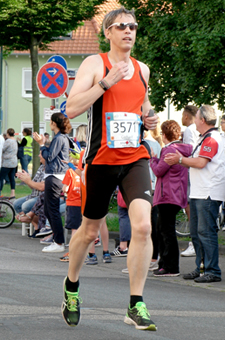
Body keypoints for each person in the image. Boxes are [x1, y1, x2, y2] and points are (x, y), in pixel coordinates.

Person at [62, 6, 158, 331]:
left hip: (135, 157)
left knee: (143, 227)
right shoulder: (95, 64)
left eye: (132, 26)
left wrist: (150, 117)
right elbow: (71, 109)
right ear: (108, 33)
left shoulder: (143, 69)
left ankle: (136, 303)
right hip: (100, 161)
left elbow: (143, 106)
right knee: (88, 231)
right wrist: (105, 83)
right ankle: (71, 287)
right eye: (121, 27)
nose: (128, 31)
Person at [165, 105, 225, 283]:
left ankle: (212, 270)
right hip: (200, 191)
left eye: (196, 117)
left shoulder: (212, 139)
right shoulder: (204, 138)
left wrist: (180, 160)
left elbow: (200, 162)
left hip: (208, 192)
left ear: (203, 120)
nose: (194, 121)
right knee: (197, 232)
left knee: (206, 232)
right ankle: (201, 268)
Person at [149, 120, 192, 277]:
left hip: (167, 195)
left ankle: (171, 267)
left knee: (166, 232)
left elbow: (159, 171)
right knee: (163, 230)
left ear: (165, 134)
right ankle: (164, 264)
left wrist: (152, 159)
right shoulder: (184, 149)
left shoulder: (169, 151)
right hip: (176, 195)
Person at [33, 112, 71, 253]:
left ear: (54, 123)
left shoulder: (59, 138)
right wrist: (44, 145)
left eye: (50, 121)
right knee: (49, 209)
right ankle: (57, 239)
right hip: (55, 175)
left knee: (52, 210)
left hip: (54, 176)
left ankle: (59, 242)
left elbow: (49, 157)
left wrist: (42, 144)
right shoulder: (60, 138)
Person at [180, 105, 199, 257]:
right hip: (198, 172)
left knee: (189, 206)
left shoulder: (188, 130)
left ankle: (193, 242)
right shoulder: (197, 129)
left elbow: (188, 151)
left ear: (186, 116)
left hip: (189, 171)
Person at [14, 151, 45, 216]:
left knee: (26, 206)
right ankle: (30, 218)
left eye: (40, 154)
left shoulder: (51, 169)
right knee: (16, 204)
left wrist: (29, 181)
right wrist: (26, 179)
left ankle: (31, 219)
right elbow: (32, 185)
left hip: (42, 198)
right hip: (33, 196)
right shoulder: (41, 167)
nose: (39, 155)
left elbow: (42, 187)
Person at [0, 128, 18, 198]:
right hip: (14, 162)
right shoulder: (15, 140)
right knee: (11, 178)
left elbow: (3, 149)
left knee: (1, 178)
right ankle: (12, 194)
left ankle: (0, 191)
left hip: (7, 162)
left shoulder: (8, 141)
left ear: (7, 134)